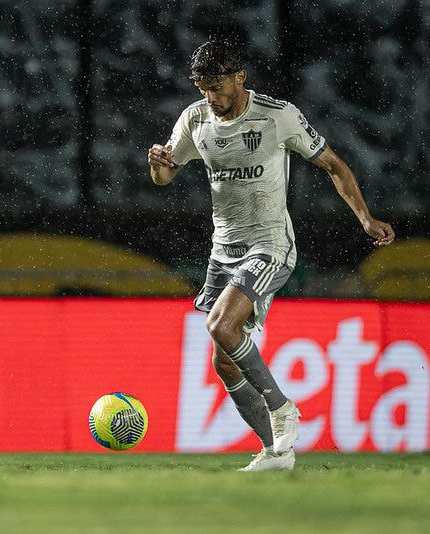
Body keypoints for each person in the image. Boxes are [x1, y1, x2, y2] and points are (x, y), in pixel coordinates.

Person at [147, 40, 395, 471]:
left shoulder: (277, 116)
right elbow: (165, 176)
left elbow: (334, 165)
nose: (211, 97)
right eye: (203, 88)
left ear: (240, 77)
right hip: (223, 250)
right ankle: (276, 453)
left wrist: (365, 219)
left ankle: (282, 408)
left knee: (220, 325)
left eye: (217, 87)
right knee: (224, 363)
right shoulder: (195, 118)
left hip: (270, 245)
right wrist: (157, 163)